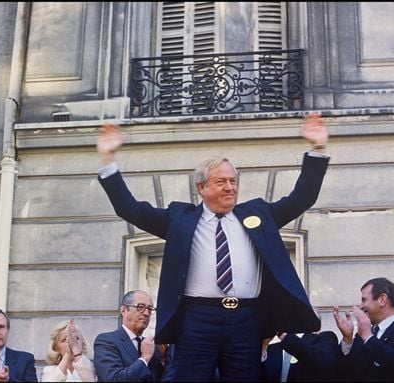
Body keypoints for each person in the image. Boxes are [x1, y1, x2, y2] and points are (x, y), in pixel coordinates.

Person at [96, 113, 330, 381]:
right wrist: (108, 160)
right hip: (197, 320)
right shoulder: (180, 220)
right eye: (221, 182)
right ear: (201, 187)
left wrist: (318, 149)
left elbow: (302, 198)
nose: (230, 188)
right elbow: (131, 209)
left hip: (246, 318)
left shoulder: (258, 215)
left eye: (233, 181)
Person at [332, 277, 394, 382]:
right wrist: (347, 339)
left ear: (382, 299)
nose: (361, 306)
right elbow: (345, 372)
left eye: (364, 300)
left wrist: (368, 337)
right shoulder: (361, 335)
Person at [93, 290, 163, 381]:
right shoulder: (106, 341)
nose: (146, 313)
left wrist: (165, 360)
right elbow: (113, 379)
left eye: (150, 309)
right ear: (124, 311)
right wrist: (144, 358)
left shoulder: (152, 347)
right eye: (140, 307)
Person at [260, 329, 341, 382]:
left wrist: (284, 336)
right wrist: (264, 346)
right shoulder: (271, 349)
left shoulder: (325, 338)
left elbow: (323, 359)